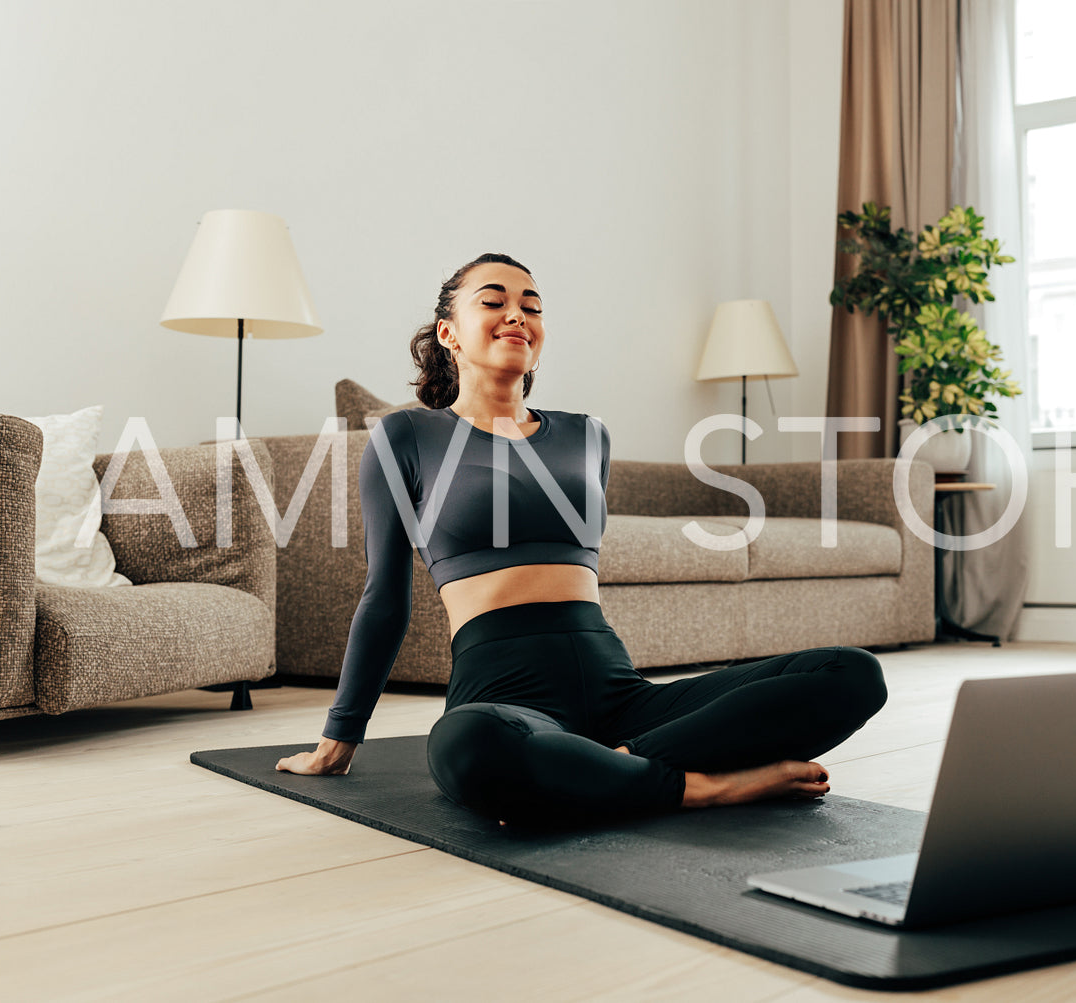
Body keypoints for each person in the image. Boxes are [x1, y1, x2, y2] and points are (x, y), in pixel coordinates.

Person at [275, 252, 889, 827]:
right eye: (493, 301)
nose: (517, 314)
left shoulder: (588, 435)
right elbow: (385, 595)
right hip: (505, 696)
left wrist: (620, 747)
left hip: (619, 692)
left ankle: (615, 766)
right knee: (472, 744)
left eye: (532, 306)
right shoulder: (405, 436)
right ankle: (706, 786)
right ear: (448, 333)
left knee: (852, 674)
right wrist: (338, 741)